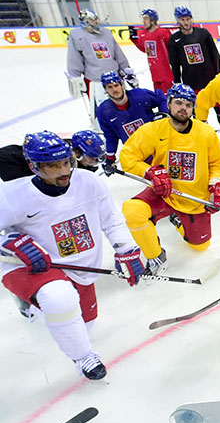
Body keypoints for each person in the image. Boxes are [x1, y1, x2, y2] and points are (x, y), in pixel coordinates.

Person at [0, 132, 143, 380]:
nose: (63, 170)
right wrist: (9, 242)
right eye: (53, 166)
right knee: (59, 298)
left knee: (83, 324)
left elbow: (111, 220)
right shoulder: (12, 196)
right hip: (33, 265)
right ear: (34, 166)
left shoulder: (89, 182)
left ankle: (39, 306)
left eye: (66, 162)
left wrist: (126, 250)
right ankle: (84, 358)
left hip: (81, 266)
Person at [120, 83, 220, 275]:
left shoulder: (205, 132)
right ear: (168, 104)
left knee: (200, 246)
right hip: (163, 193)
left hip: (194, 198)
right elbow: (128, 156)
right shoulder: (153, 130)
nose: (183, 108)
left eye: (188, 104)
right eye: (178, 103)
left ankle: (177, 219)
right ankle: (155, 255)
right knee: (133, 210)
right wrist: (150, 172)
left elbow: (218, 163)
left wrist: (216, 185)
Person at [66, 9, 133, 129]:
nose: (96, 22)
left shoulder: (106, 33)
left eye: (96, 19)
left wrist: (125, 69)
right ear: (86, 21)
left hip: (115, 77)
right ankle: (102, 128)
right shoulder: (77, 35)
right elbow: (74, 57)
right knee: (101, 107)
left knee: (122, 102)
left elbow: (117, 53)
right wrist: (75, 76)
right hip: (95, 80)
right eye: (93, 20)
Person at [96, 70, 168, 172]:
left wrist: (164, 114)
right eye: (110, 87)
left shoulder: (140, 96)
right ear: (105, 90)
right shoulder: (104, 111)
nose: (114, 89)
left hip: (159, 148)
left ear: (122, 85)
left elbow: (161, 98)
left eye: (116, 85)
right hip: (138, 155)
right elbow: (110, 135)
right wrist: (110, 157)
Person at [168, 6, 220, 94]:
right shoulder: (174, 39)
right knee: (195, 108)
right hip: (191, 83)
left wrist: (218, 74)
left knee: (218, 106)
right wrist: (177, 82)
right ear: (178, 21)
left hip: (210, 81)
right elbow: (175, 64)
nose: (186, 22)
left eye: (188, 19)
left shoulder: (203, 33)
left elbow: (215, 55)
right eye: (183, 20)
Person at [128, 8, 173, 94]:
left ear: (153, 20)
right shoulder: (143, 34)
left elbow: (172, 49)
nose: (144, 21)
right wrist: (134, 39)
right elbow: (145, 50)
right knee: (159, 99)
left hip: (167, 75)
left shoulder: (163, 33)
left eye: (146, 18)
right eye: (143, 19)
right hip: (155, 74)